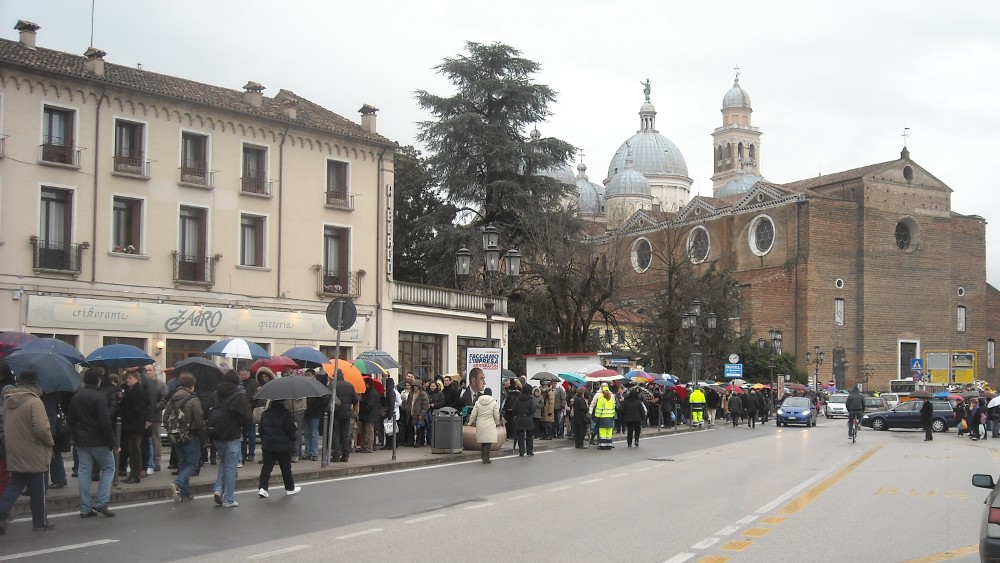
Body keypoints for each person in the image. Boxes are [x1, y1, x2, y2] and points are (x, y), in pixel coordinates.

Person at [0, 370, 56, 533]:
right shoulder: (34, 402)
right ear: (34, 384)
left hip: (14, 448)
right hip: (34, 450)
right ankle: (40, 522)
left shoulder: (9, 400)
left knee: (15, 484)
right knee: (38, 488)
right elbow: (41, 428)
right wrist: (50, 442)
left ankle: (4, 512)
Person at [67, 367, 117, 519]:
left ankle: (85, 508)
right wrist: (112, 441)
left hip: (82, 440)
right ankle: (101, 501)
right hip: (99, 440)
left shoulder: (77, 397)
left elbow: (71, 419)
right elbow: (105, 421)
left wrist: (75, 437)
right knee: (108, 468)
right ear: (98, 380)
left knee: (84, 472)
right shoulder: (99, 397)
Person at [207, 370, 251, 508]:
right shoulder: (239, 396)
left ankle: (219, 488)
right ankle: (229, 499)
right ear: (236, 382)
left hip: (217, 435)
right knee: (231, 466)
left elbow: (205, 412)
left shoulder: (215, 394)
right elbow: (247, 418)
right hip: (232, 434)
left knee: (224, 461)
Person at [256, 399, 301, 498]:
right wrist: (295, 427)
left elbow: (261, 429)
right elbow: (290, 429)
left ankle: (263, 488)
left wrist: (265, 440)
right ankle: (290, 488)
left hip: (268, 445)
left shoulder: (265, 414)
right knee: (286, 469)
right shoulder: (286, 413)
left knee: (266, 468)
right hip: (283, 446)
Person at [119, 370, 148, 483]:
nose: (128, 380)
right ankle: (133, 473)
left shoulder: (138, 391)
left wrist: (127, 417)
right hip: (131, 425)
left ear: (136, 378)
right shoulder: (130, 390)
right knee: (132, 450)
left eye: (130, 378)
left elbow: (137, 409)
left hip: (134, 425)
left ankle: (135, 474)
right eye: (127, 378)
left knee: (135, 450)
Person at [331, 370, 359, 461]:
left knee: (335, 434)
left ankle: (336, 455)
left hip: (335, 413)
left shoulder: (333, 386)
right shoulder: (350, 386)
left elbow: (327, 398)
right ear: (342, 375)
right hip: (347, 413)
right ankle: (345, 455)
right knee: (345, 434)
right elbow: (355, 400)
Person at [468, 388, 501, 464]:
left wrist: (470, 422)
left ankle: (483, 456)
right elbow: (496, 414)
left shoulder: (478, 402)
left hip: (480, 423)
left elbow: (473, 413)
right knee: (488, 442)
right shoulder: (493, 403)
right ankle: (486, 458)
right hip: (490, 422)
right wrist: (497, 422)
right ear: (490, 394)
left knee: (483, 441)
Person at [303, 370, 330, 461]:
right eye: (306, 374)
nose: (307, 376)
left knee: (314, 433)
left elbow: (323, 399)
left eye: (309, 374)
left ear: (313, 375)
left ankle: (314, 453)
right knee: (307, 434)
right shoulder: (304, 385)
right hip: (306, 412)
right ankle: (307, 452)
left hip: (314, 413)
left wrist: (316, 407)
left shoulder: (317, 385)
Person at [238, 367, 258, 464]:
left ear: (249, 374)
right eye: (241, 375)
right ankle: (243, 454)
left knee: (251, 435)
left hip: (250, 412)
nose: (243, 377)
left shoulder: (253, 383)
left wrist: (250, 405)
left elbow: (255, 397)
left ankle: (251, 453)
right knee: (242, 436)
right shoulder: (238, 384)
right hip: (241, 413)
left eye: (244, 375)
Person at [513, 383, 536, 456]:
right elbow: (533, 409)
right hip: (528, 418)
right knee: (529, 436)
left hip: (519, 418)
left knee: (521, 436)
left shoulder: (518, 399)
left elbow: (514, 409)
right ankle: (529, 451)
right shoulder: (530, 400)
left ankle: (521, 451)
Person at [358, 378, 380, 453]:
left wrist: (361, 401)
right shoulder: (367, 392)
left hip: (369, 415)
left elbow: (369, 404)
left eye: (365, 383)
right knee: (363, 432)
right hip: (365, 415)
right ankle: (364, 446)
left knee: (368, 432)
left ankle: (369, 447)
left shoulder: (371, 392)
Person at [592, 383, 617, 450]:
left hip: (602, 418)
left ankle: (602, 445)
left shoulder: (601, 399)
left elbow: (598, 410)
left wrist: (596, 419)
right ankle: (609, 445)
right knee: (609, 433)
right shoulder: (611, 399)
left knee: (602, 433)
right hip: (610, 418)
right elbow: (614, 408)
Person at [407, 379, 429, 447]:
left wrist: (422, 414)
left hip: (418, 414)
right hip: (411, 413)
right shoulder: (411, 393)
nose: (415, 387)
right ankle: (411, 441)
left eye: (416, 386)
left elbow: (425, 406)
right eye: (414, 386)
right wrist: (407, 409)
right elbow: (408, 403)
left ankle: (418, 442)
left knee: (419, 429)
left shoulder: (423, 394)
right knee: (410, 428)